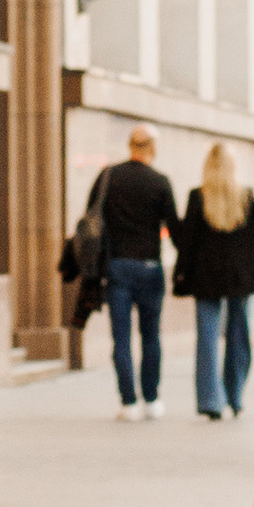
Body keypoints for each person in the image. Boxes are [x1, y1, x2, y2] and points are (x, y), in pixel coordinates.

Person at [172, 143, 254, 418]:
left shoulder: (198, 197)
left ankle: (210, 401)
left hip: (206, 278)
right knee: (240, 335)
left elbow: (187, 243)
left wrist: (180, 275)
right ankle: (235, 395)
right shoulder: (247, 197)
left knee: (207, 337)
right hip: (241, 278)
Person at [96, 127, 179, 420]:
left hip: (117, 265)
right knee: (151, 336)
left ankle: (128, 403)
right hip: (149, 267)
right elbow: (175, 228)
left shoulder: (109, 176)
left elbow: (94, 218)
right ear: (152, 148)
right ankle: (152, 399)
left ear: (130, 145)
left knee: (120, 338)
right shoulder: (160, 182)